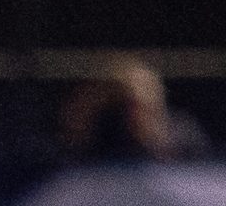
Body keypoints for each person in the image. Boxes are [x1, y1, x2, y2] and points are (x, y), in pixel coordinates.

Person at [59, 56, 209, 163]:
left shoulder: (183, 133)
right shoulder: (97, 133)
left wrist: (154, 136)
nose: (129, 107)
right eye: (121, 99)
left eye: (138, 94)